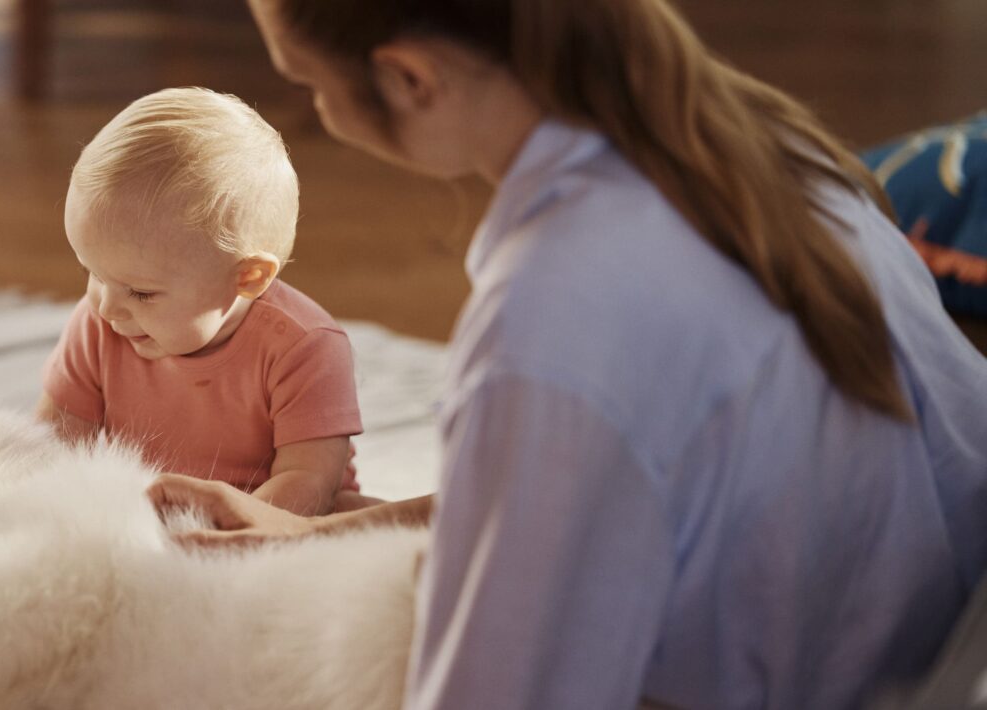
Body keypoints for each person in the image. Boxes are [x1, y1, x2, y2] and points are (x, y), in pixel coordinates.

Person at [147, 1, 987, 708]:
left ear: (410, 79)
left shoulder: (557, 320)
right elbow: (601, 477)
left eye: (307, 85)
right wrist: (314, 535)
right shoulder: (750, 140)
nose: (315, 110)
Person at [38, 86, 370, 517]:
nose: (106, 307)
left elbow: (307, 483)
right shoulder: (100, 324)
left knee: (364, 527)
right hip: (148, 510)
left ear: (248, 278)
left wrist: (219, 532)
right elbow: (53, 445)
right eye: (93, 275)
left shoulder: (306, 348)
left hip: (279, 518)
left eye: (141, 292)